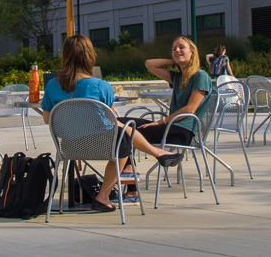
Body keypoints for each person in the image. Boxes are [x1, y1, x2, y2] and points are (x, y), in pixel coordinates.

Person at [39, 34, 180, 213]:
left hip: (68, 146)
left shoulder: (52, 85)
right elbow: (111, 117)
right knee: (124, 135)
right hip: (103, 146)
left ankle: (158, 153)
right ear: (90, 56)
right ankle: (103, 195)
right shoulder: (101, 86)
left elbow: (47, 119)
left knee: (124, 128)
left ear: (65, 57)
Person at [138, 37, 216, 149]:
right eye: (174, 49)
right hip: (171, 127)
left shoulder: (200, 76)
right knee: (121, 124)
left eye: (182, 47)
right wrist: (176, 60)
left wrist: (161, 121)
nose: (177, 50)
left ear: (192, 52)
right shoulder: (178, 78)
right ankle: (128, 166)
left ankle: (159, 157)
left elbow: (190, 109)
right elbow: (149, 64)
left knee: (127, 130)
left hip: (182, 132)